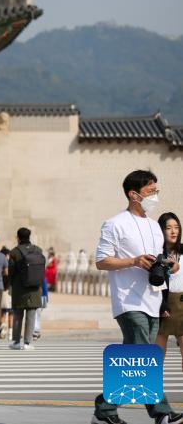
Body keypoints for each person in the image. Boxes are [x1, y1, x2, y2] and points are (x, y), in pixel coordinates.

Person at [92, 169, 183, 424]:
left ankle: (105, 410)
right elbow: (101, 261)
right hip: (128, 300)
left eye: (156, 190)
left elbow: (157, 263)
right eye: (150, 191)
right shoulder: (115, 223)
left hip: (153, 300)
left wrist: (166, 265)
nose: (155, 195)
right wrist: (133, 261)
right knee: (144, 353)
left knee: (132, 359)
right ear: (134, 195)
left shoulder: (154, 226)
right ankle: (161, 411)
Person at [7, 227, 44, 351]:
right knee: (31, 315)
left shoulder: (14, 252)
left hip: (19, 288)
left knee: (18, 315)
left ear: (18, 237)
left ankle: (16, 341)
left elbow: (11, 272)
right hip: (35, 288)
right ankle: (28, 343)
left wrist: (11, 285)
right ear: (29, 236)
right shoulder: (38, 250)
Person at [156, 212, 183, 371]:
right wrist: (161, 304)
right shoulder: (157, 253)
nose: (174, 231)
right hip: (163, 306)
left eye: (176, 227)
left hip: (182, 304)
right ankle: (152, 391)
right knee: (157, 357)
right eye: (168, 228)